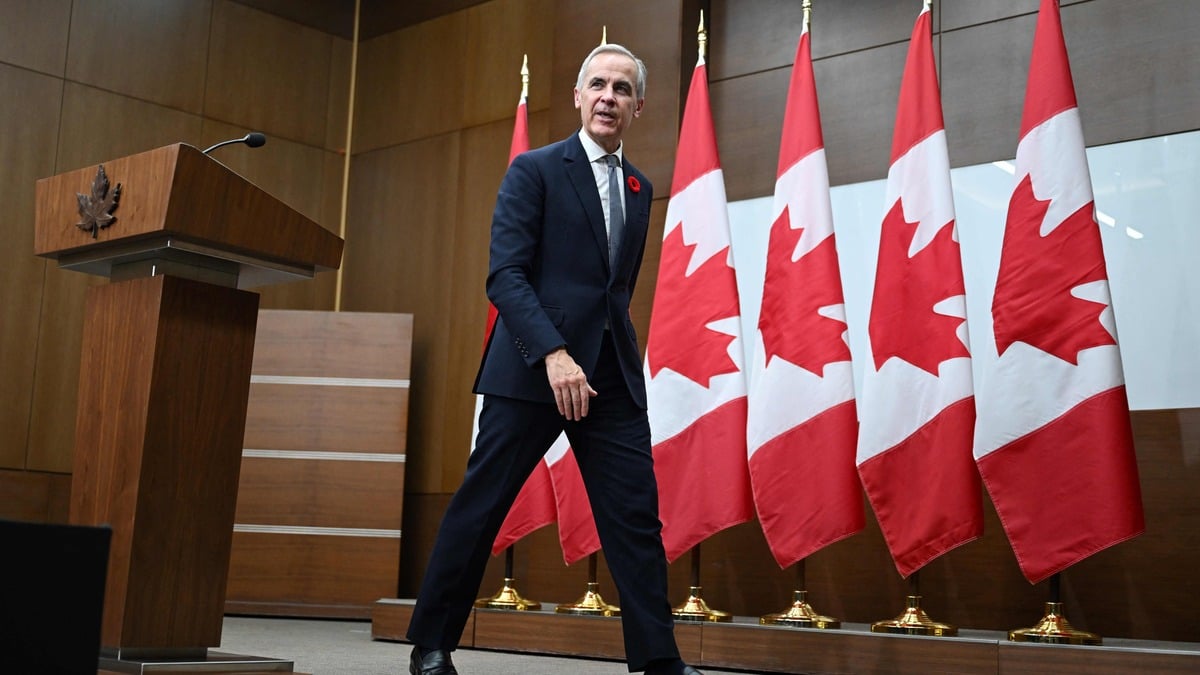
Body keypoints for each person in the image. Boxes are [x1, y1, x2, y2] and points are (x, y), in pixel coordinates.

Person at [405, 43, 702, 675]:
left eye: (622, 89)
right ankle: (431, 645)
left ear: (639, 107)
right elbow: (506, 276)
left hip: (610, 377)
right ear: (577, 96)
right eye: (598, 85)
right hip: (531, 368)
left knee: (635, 520)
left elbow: (614, 290)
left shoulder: (641, 188)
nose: (608, 97)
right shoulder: (535, 170)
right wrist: (554, 353)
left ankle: (659, 660)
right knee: (482, 506)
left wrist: (596, 358)